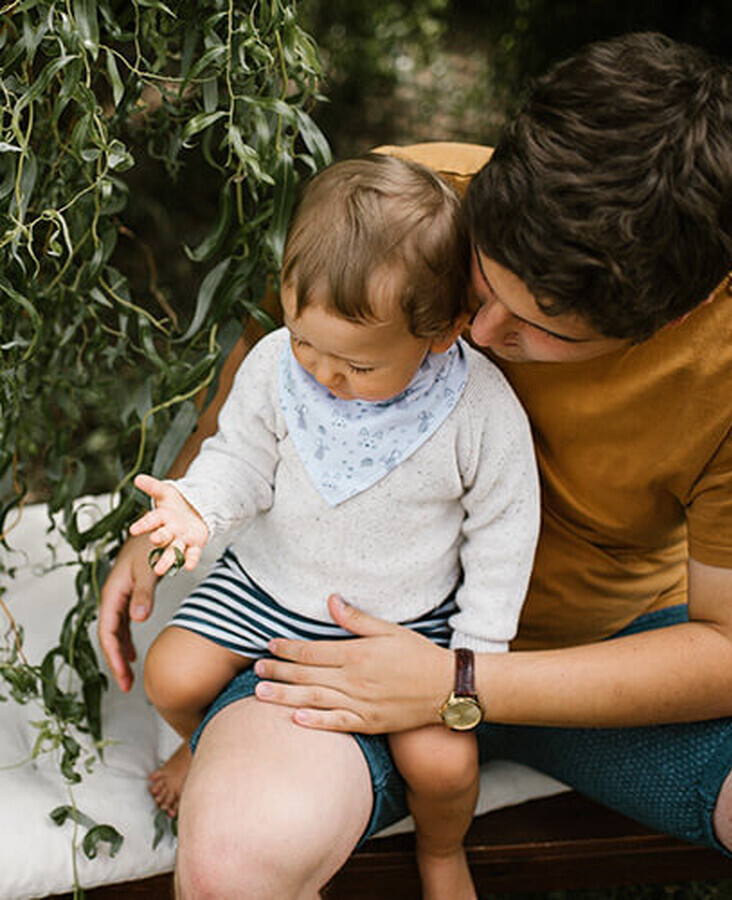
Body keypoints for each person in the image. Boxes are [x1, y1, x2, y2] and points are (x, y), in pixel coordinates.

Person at [98, 32, 732, 900]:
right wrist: (171, 518)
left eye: (539, 325)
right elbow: (266, 385)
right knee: (228, 873)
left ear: (675, 315)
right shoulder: (407, 207)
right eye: (483, 283)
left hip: (609, 661)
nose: (479, 337)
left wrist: (459, 681)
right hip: (356, 634)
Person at [117, 154, 539, 900]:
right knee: (171, 673)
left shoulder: (478, 410)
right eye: (306, 341)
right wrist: (195, 505)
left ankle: (442, 850)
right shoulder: (281, 368)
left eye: (357, 365)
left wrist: (476, 654)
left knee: (443, 767)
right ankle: (203, 742)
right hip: (272, 582)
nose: (323, 374)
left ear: (440, 334)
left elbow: (504, 534)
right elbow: (240, 460)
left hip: (408, 619)